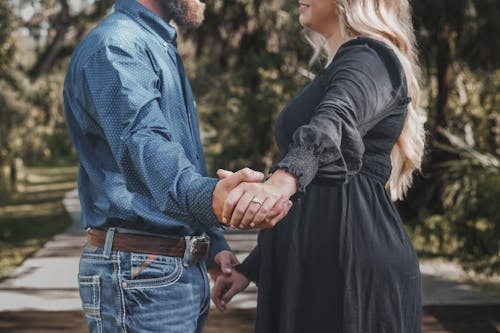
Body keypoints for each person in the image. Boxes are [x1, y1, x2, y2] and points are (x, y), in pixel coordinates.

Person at [63, 0, 292, 332]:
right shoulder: (116, 48)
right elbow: (146, 147)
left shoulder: (153, 44)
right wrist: (213, 199)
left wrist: (211, 244)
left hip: (165, 272)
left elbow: (181, 158)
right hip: (142, 274)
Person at [212, 0, 426, 332]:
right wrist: (252, 267)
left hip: (350, 265)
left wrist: (282, 180)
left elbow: (335, 121)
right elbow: (307, 195)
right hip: (315, 264)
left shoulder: (371, 56)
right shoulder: (342, 67)